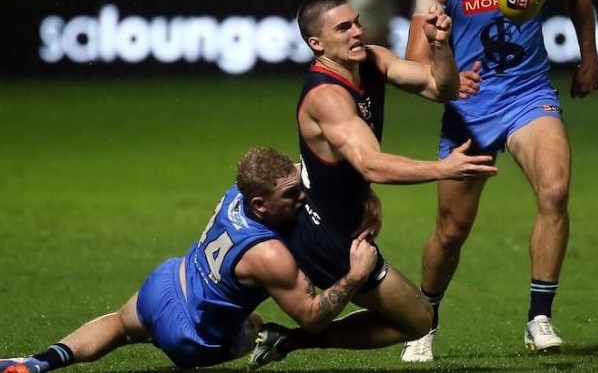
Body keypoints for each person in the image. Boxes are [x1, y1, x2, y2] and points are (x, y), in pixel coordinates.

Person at [399, 0, 598, 363]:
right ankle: (423, 320)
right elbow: (414, 65)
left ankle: (539, 318)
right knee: (451, 233)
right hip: (470, 109)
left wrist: (588, 55)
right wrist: (444, 66)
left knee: (554, 192)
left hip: (528, 95)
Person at [248, 0, 498, 368]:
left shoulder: (373, 59)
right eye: (344, 28)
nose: (357, 32)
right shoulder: (328, 97)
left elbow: (441, 88)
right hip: (326, 233)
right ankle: (289, 339)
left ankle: (282, 336)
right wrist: (444, 168)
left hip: (346, 216)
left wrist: (440, 45)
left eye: (358, 22)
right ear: (317, 44)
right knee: (417, 320)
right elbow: (371, 166)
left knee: (415, 319)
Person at [0, 147, 380, 373]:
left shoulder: (237, 193)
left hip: (166, 285)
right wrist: (354, 276)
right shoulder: (269, 255)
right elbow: (313, 317)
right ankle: (162, 335)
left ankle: (38, 363)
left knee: (119, 325)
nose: (302, 197)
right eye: (292, 193)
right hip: (194, 337)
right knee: (256, 324)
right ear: (261, 204)